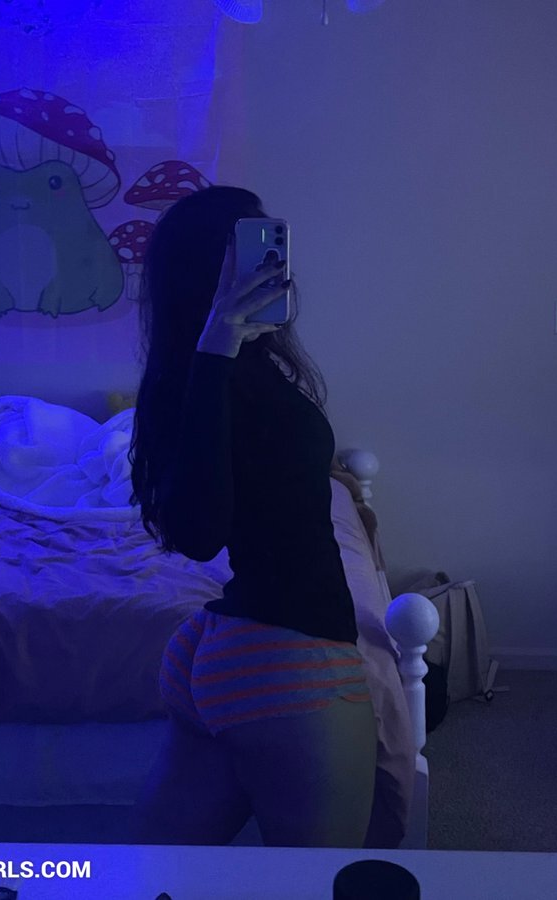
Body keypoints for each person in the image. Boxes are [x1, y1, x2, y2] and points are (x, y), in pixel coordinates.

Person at [128, 185, 377, 848]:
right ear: (213, 275)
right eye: (256, 255)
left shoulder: (208, 374)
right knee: (316, 884)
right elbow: (197, 531)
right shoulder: (212, 374)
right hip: (292, 662)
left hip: (222, 649)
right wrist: (217, 347)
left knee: (163, 877)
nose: (276, 268)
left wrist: (218, 351)